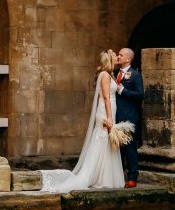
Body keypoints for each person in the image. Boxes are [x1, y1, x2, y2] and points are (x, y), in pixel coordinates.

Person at [41, 49, 125, 192]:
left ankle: (104, 177)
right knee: (103, 139)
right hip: (106, 110)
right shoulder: (104, 75)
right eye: (115, 56)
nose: (117, 57)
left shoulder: (109, 75)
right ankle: (95, 176)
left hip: (111, 108)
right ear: (110, 61)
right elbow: (105, 97)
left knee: (107, 142)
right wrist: (110, 117)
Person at [114, 47, 144, 187]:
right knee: (116, 149)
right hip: (115, 116)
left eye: (121, 55)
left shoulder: (135, 75)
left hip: (129, 117)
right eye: (118, 55)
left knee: (130, 148)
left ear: (128, 59)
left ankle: (132, 177)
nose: (118, 56)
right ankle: (118, 176)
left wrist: (123, 90)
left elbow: (139, 95)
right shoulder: (114, 73)